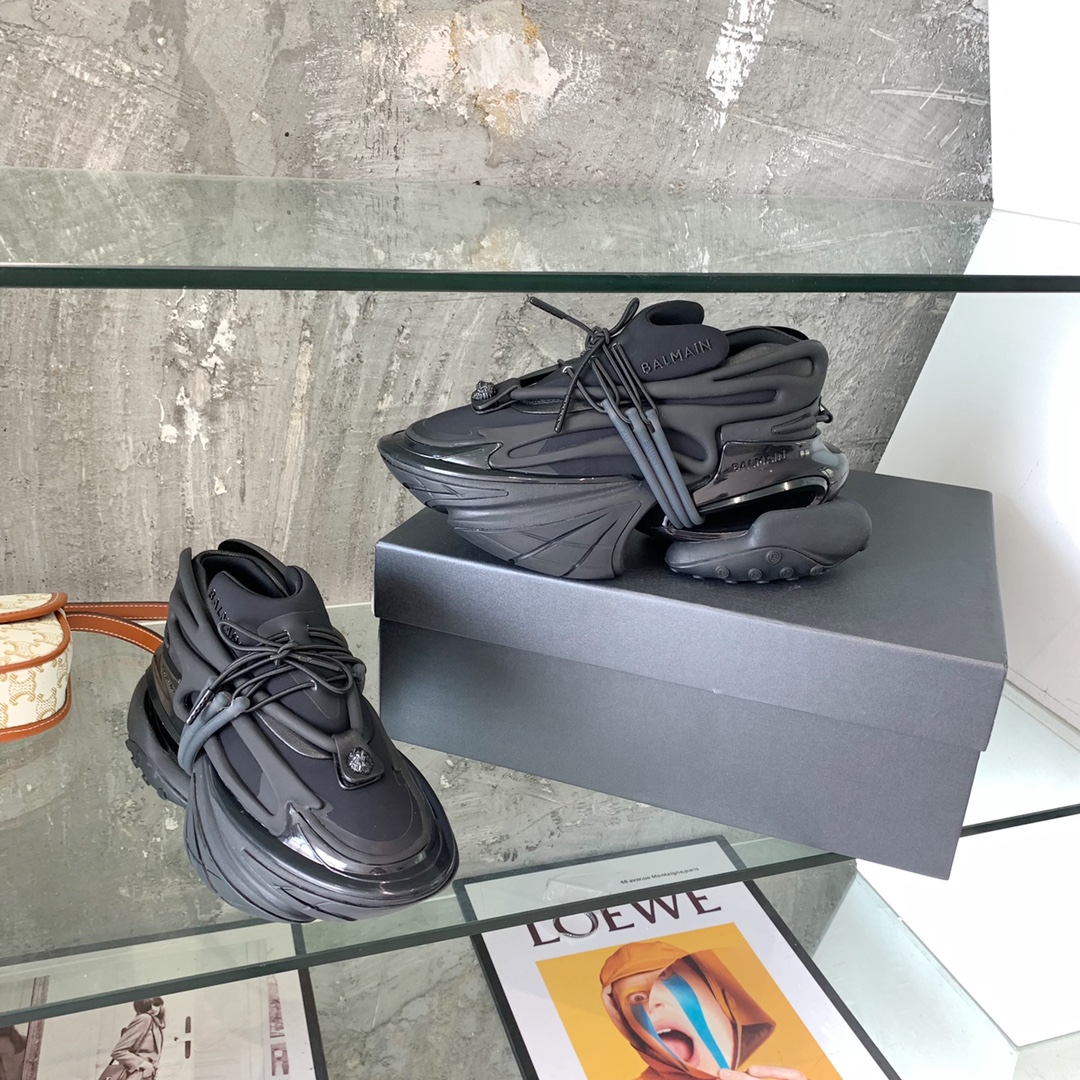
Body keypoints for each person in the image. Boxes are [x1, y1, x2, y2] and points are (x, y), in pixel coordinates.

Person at [600, 942, 809, 1080]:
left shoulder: (802, 1046)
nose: (653, 1003)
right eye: (636, 998)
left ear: (714, 988)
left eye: (665, 976)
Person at [97, 998, 166, 1080]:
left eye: (156, 1004)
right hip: (137, 1074)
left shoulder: (157, 1023)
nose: (153, 1008)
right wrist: (143, 1064)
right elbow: (118, 1051)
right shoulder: (145, 1018)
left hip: (147, 1075)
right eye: (148, 1006)